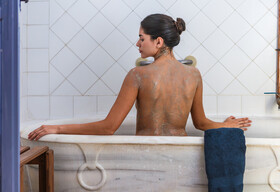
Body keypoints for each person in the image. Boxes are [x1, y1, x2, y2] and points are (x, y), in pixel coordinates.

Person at [28, 14, 251, 140]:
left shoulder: (138, 75)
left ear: (159, 41)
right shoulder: (194, 75)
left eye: (141, 38)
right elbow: (201, 123)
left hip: (146, 151)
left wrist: (56, 129)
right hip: (182, 153)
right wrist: (225, 126)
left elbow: (108, 127)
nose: (137, 43)